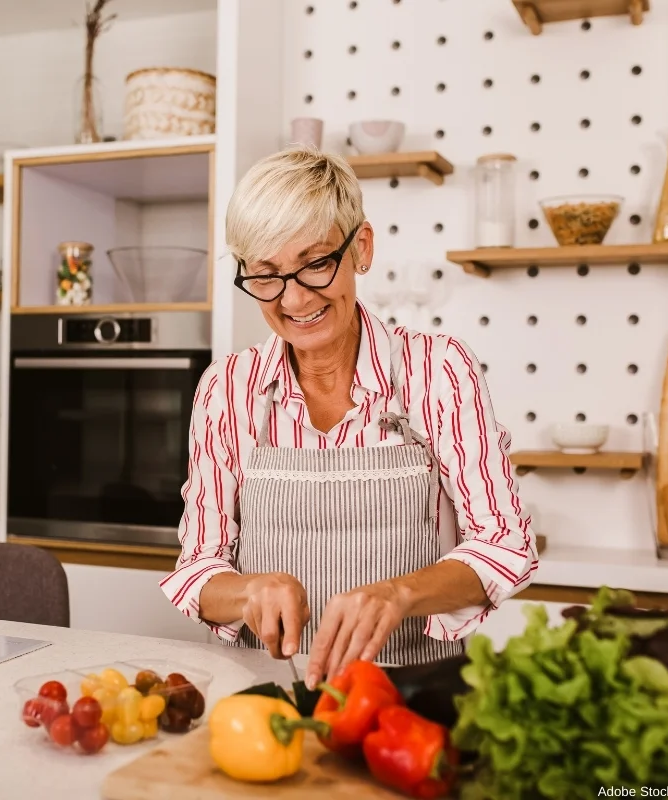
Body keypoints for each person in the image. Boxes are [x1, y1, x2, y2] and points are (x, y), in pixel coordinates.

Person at [159, 146, 537, 690]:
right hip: (266, 692)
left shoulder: (436, 371)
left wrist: (398, 594)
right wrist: (246, 592)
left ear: (360, 247)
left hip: (411, 692)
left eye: (315, 264)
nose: (293, 299)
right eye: (266, 276)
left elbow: (504, 543)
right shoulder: (228, 388)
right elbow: (198, 565)